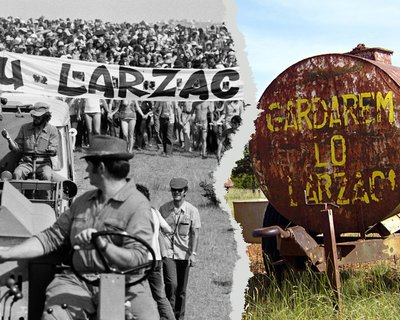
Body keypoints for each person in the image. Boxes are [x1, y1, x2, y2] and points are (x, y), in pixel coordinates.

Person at [0, 135, 159, 320]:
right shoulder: (83, 201)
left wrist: (104, 245)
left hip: (125, 283)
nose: (86, 169)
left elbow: (138, 259)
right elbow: (51, 237)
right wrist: (7, 253)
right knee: (54, 316)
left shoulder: (137, 206)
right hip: (77, 281)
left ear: (101, 168)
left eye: (89, 164)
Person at [159, 178, 201, 320]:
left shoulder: (192, 211)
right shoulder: (164, 209)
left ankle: (179, 317)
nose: (176, 193)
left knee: (181, 290)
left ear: (185, 192)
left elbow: (195, 233)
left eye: (179, 190)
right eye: (173, 190)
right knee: (171, 285)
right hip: (168, 254)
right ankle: (168, 316)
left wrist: (193, 254)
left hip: (184, 254)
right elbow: (158, 231)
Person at [136, 183, 175, 320]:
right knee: (160, 296)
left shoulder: (136, 213)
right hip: (156, 258)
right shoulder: (154, 212)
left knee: (134, 294)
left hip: (140, 259)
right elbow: (168, 230)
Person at [1, 102, 58, 180]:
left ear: (45, 117)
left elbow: (54, 149)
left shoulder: (52, 130)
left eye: (38, 117)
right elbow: (17, 149)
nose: (35, 118)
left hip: (43, 164)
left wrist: (51, 150)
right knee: (17, 174)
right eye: (34, 116)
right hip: (26, 163)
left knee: (47, 176)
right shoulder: (25, 128)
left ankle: (43, 192)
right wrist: (9, 139)